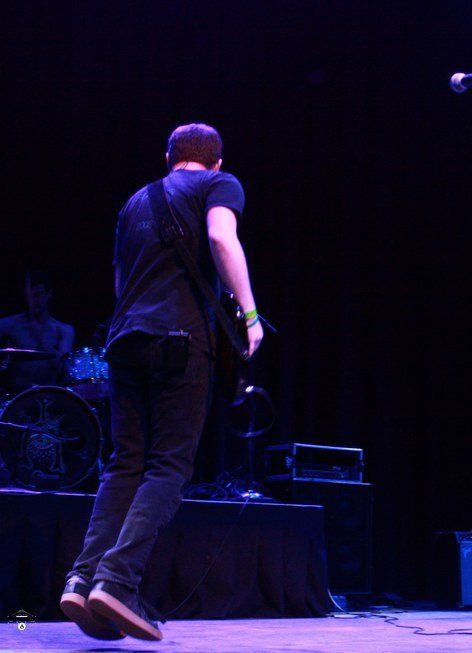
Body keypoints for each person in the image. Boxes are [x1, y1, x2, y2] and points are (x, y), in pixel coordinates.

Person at [59, 123, 263, 641]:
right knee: (168, 466)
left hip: (125, 339)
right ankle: (117, 581)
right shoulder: (220, 184)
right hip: (178, 341)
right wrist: (250, 314)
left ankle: (82, 579)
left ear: (168, 157)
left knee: (124, 464)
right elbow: (221, 237)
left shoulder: (134, 202)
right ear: (216, 162)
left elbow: (121, 279)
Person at [0, 270, 74, 393]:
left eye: (38, 295)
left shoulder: (64, 330)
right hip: (16, 396)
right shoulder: (9, 324)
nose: (34, 301)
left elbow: (63, 369)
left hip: (49, 395)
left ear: (49, 294)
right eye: (30, 296)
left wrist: (41, 338)